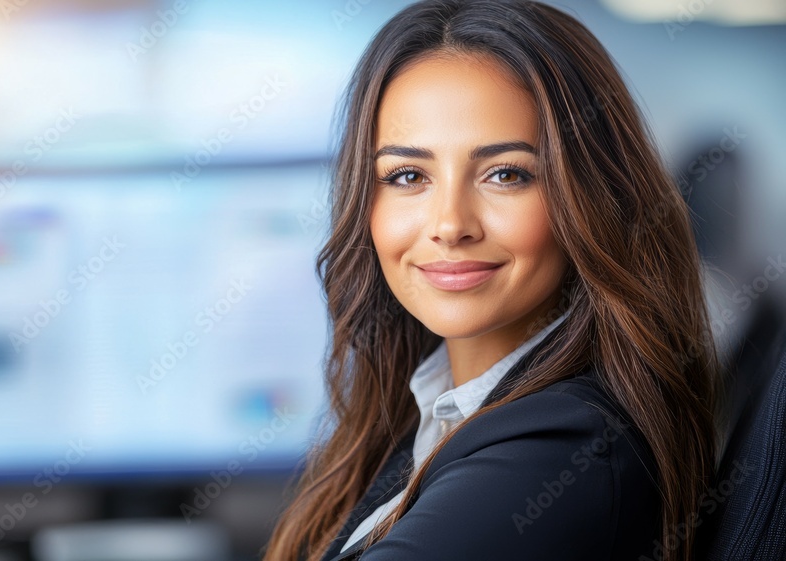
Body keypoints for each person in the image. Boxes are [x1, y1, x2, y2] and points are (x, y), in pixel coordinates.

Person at [261, 1, 719, 560]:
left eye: (507, 174)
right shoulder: (431, 415)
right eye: (408, 175)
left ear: (595, 199)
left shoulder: (561, 455)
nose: (451, 224)